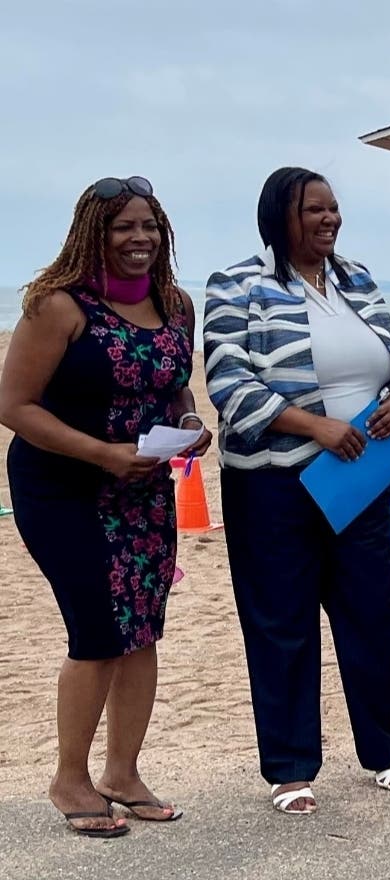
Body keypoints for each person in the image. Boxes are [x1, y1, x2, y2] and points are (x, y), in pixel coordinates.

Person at [0, 177, 212, 837]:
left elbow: (174, 383)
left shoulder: (176, 305)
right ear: (94, 232)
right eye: (123, 226)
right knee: (96, 625)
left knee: (142, 626)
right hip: (60, 487)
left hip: (143, 485)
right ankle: (70, 776)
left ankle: (122, 772)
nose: (139, 238)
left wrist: (189, 420)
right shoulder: (57, 307)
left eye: (148, 225)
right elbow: (13, 406)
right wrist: (100, 452)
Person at [204, 167, 390, 814]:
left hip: (361, 476)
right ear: (279, 216)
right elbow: (227, 381)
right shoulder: (237, 284)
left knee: (374, 614)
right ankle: (291, 765)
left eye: (333, 208)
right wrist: (312, 426)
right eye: (313, 210)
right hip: (273, 482)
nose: (329, 219)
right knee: (282, 621)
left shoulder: (357, 278)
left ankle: (380, 749)